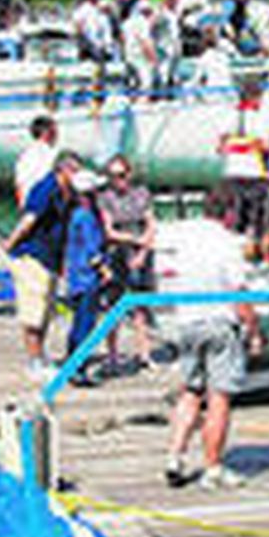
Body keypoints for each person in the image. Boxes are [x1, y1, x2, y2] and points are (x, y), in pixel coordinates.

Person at [161, 189, 261, 490]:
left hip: (187, 321)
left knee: (191, 392)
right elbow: (238, 293)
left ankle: (175, 457)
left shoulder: (185, 235)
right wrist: (254, 329)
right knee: (219, 397)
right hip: (218, 324)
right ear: (229, 213)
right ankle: (213, 468)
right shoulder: (228, 244)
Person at [4, 152, 81, 380]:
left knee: (46, 310)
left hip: (51, 258)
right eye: (74, 170)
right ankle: (34, 360)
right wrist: (11, 243)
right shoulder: (46, 188)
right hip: (32, 255)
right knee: (33, 310)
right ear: (62, 170)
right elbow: (29, 219)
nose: (77, 175)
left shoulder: (70, 194)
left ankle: (41, 355)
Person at [98, 154, 156, 373]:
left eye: (121, 175)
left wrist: (143, 251)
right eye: (113, 176)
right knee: (113, 305)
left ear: (129, 174)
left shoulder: (142, 194)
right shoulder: (105, 198)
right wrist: (135, 240)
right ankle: (112, 355)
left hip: (139, 251)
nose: (118, 180)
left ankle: (144, 354)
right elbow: (109, 230)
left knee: (140, 307)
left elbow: (151, 224)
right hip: (117, 252)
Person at [61, 169, 110, 386]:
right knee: (85, 325)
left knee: (77, 324)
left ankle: (72, 364)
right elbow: (93, 251)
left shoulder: (75, 215)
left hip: (76, 277)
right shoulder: (87, 217)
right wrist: (105, 271)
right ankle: (78, 369)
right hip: (87, 278)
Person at [13, 114, 59, 207]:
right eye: (54, 130)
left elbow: (19, 186)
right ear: (46, 133)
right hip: (43, 203)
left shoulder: (25, 154)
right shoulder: (49, 153)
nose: (57, 134)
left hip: (29, 203)